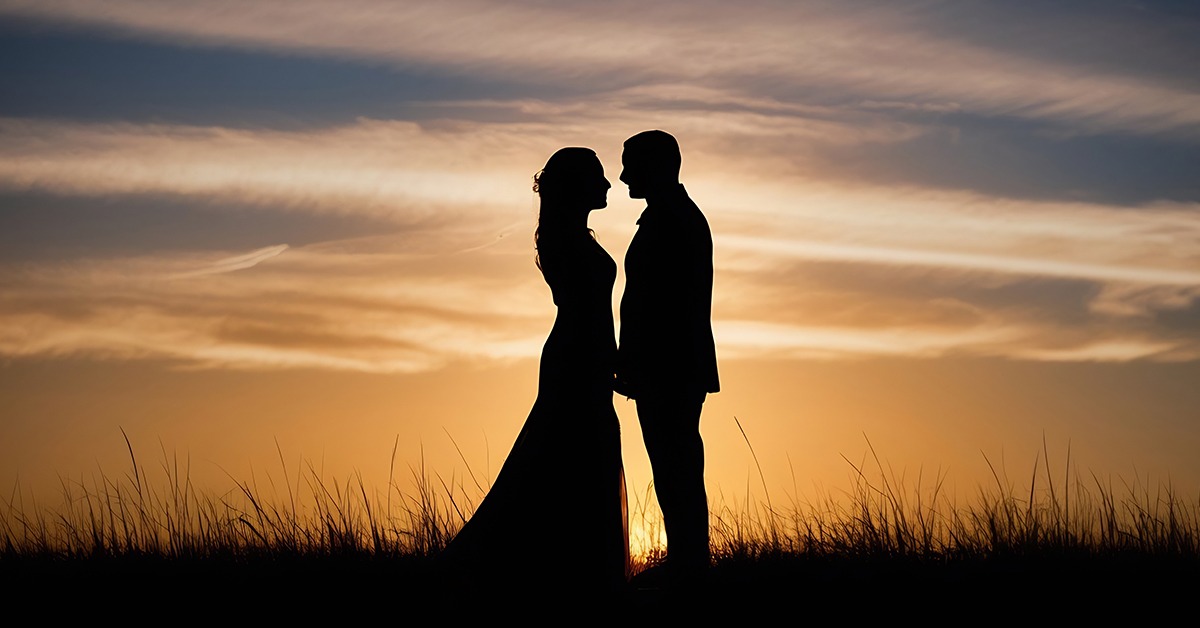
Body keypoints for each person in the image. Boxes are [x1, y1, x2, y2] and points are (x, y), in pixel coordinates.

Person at [441, 147, 629, 594]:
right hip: (576, 356)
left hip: (582, 354)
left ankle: (569, 570)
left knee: (574, 455)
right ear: (578, 186)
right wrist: (609, 358)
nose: (607, 186)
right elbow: (587, 313)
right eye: (598, 178)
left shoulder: (571, 237)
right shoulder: (566, 240)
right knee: (568, 454)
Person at [615, 130, 719, 577]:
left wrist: (637, 362)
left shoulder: (674, 219)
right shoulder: (669, 216)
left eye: (630, 165)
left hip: (669, 367)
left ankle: (690, 562)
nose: (621, 177)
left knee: (676, 463)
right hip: (668, 366)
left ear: (656, 167)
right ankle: (687, 558)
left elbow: (666, 306)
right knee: (673, 462)